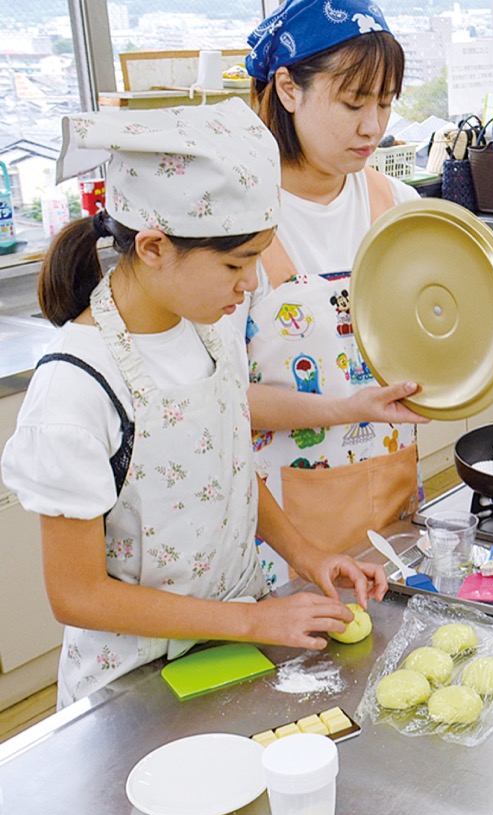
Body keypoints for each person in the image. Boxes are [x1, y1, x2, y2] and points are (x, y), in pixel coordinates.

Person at [0, 101, 386, 707]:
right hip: (136, 685)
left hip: (232, 646)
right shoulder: (77, 389)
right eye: (237, 262)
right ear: (153, 247)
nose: (252, 282)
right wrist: (254, 622)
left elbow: (228, 471)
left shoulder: (209, 330)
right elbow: (77, 594)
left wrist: (306, 556)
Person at [240, 0, 493, 588]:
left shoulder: (399, 209)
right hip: (282, 537)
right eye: (353, 102)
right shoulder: (241, 225)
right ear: (288, 88)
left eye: (385, 103)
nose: (373, 127)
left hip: (394, 516)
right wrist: (341, 410)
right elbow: (218, 404)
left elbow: (433, 334)